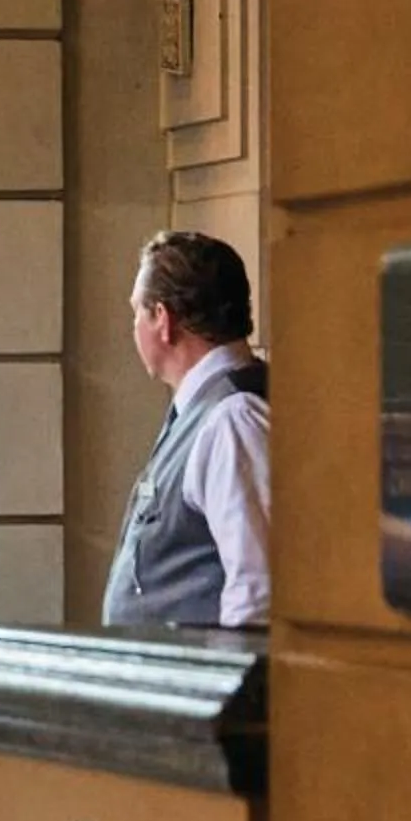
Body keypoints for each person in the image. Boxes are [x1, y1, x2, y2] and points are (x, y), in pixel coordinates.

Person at [104, 230, 271, 628]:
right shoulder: (208, 409)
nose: (134, 328)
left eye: (136, 313)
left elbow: (257, 587)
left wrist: (232, 686)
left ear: (162, 319)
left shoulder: (233, 418)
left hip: (207, 682)